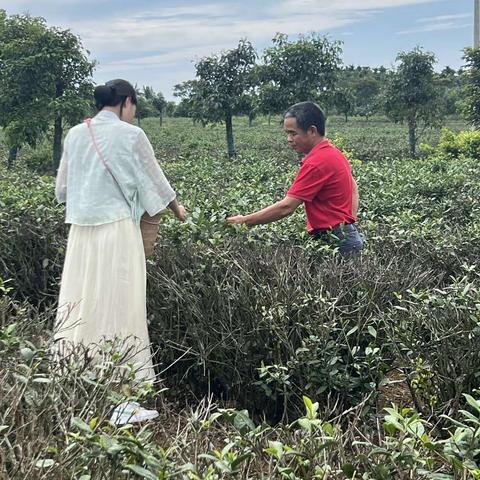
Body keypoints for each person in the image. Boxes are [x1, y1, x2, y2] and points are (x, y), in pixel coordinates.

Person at [54, 79, 186, 424]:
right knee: (120, 306)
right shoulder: (132, 136)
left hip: (81, 233)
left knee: (82, 303)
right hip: (116, 230)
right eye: (134, 107)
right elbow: (154, 180)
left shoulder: (74, 134)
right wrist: (177, 209)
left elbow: (62, 189)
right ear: (127, 102)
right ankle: (123, 401)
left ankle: (75, 381)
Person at [227, 101, 363, 256]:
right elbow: (354, 189)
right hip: (346, 237)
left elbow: (286, 207)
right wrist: (347, 224)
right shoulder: (334, 153)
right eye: (287, 134)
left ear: (312, 131)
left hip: (337, 243)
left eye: (293, 133)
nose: (289, 139)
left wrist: (244, 221)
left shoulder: (316, 162)